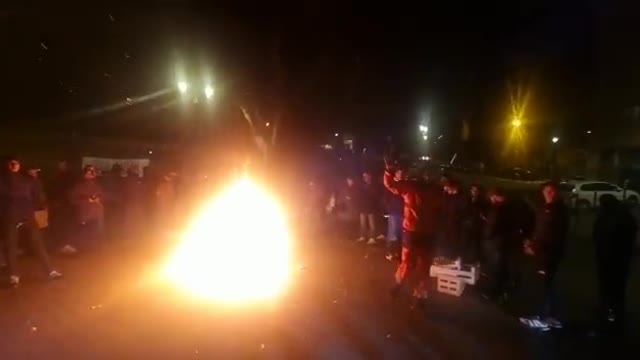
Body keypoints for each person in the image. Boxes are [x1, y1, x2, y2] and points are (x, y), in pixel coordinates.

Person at [384, 158, 442, 307]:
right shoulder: (414, 187)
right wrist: (389, 171)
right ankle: (403, 286)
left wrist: (389, 171)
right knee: (411, 263)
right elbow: (390, 184)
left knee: (420, 265)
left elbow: (390, 184)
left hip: (421, 232)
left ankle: (417, 294)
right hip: (417, 231)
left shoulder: (428, 189)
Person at [0, 157, 62, 287]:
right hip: (11, 217)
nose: (13, 165)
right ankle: (14, 275)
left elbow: (37, 196)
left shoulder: (27, 180)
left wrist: (33, 207)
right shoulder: (4, 180)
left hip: (26, 215)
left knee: (37, 243)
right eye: (11, 163)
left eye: (16, 163)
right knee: (11, 246)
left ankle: (49, 270)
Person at [521, 181, 570, 329]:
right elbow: (540, 230)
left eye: (552, 191)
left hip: (548, 254)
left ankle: (542, 318)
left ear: (557, 192)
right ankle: (554, 317)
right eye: (547, 191)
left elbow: (553, 235)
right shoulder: (545, 208)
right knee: (549, 285)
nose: (550, 193)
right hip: (542, 251)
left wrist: (535, 247)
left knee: (544, 286)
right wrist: (531, 242)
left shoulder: (559, 211)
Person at [592, 194, 636, 334]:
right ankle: (616, 314)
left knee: (607, 287)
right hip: (619, 259)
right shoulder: (625, 216)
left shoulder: (607, 216)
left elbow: (598, 234)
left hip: (609, 258)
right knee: (617, 288)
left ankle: (607, 312)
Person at [483, 187, 520, 302]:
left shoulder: (496, 209)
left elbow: (491, 228)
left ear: (494, 196)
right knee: (503, 268)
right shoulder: (511, 207)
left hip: (496, 243)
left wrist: (486, 235)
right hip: (506, 242)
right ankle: (503, 292)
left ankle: (492, 293)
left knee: (494, 269)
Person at [65, 165, 105, 253]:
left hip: (96, 213)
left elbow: (102, 196)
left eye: (93, 172)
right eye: (89, 172)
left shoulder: (97, 185)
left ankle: (92, 250)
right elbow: (72, 199)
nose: (91, 174)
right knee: (83, 231)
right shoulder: (79, 186)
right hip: (85, 214)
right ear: (85, 174)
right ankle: (74, 247)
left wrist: (99, 199)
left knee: (95, 232)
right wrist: (87, 200)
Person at [442, 179, 468, 264]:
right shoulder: (448, 196)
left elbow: (462, 211)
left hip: (457, 225)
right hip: (448, 223)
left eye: (448, 189)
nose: (447, 190)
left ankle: (455, 258)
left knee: (455, 242)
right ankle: (449, 257)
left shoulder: (462, 197)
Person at [464, 184, 489, 264]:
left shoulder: (483, 201)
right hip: (468, 225)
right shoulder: (468, 199)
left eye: (476, 190)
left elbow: (482, 213)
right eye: (473, 190)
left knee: (475, 245)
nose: (474, 192)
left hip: (477, 226)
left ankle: (474, 260)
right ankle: (467, 260)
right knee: (467, 243)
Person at [384, 169, 405, 260]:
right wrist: (389, 209)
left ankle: (398, 252)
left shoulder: (404, 184)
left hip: (403, 213)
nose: (400, 175)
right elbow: (385, 198)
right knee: (392, 234)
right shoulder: (391, 184)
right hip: (393, 213)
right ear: (395, 174)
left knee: (401, 235)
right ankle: (390, 252)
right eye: (399, 173)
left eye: (402, 173)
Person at [358, 171, 380, 245]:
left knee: (372, 224)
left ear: (370, 177)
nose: (365, 178)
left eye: (366, 176)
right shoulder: (362, 185)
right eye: (364, 177)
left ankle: (372, 238)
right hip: (363, 207)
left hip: (371, 208)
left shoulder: (373, 185)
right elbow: (360, 196)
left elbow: (375, 196)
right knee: (362, 223)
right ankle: (363, 236)